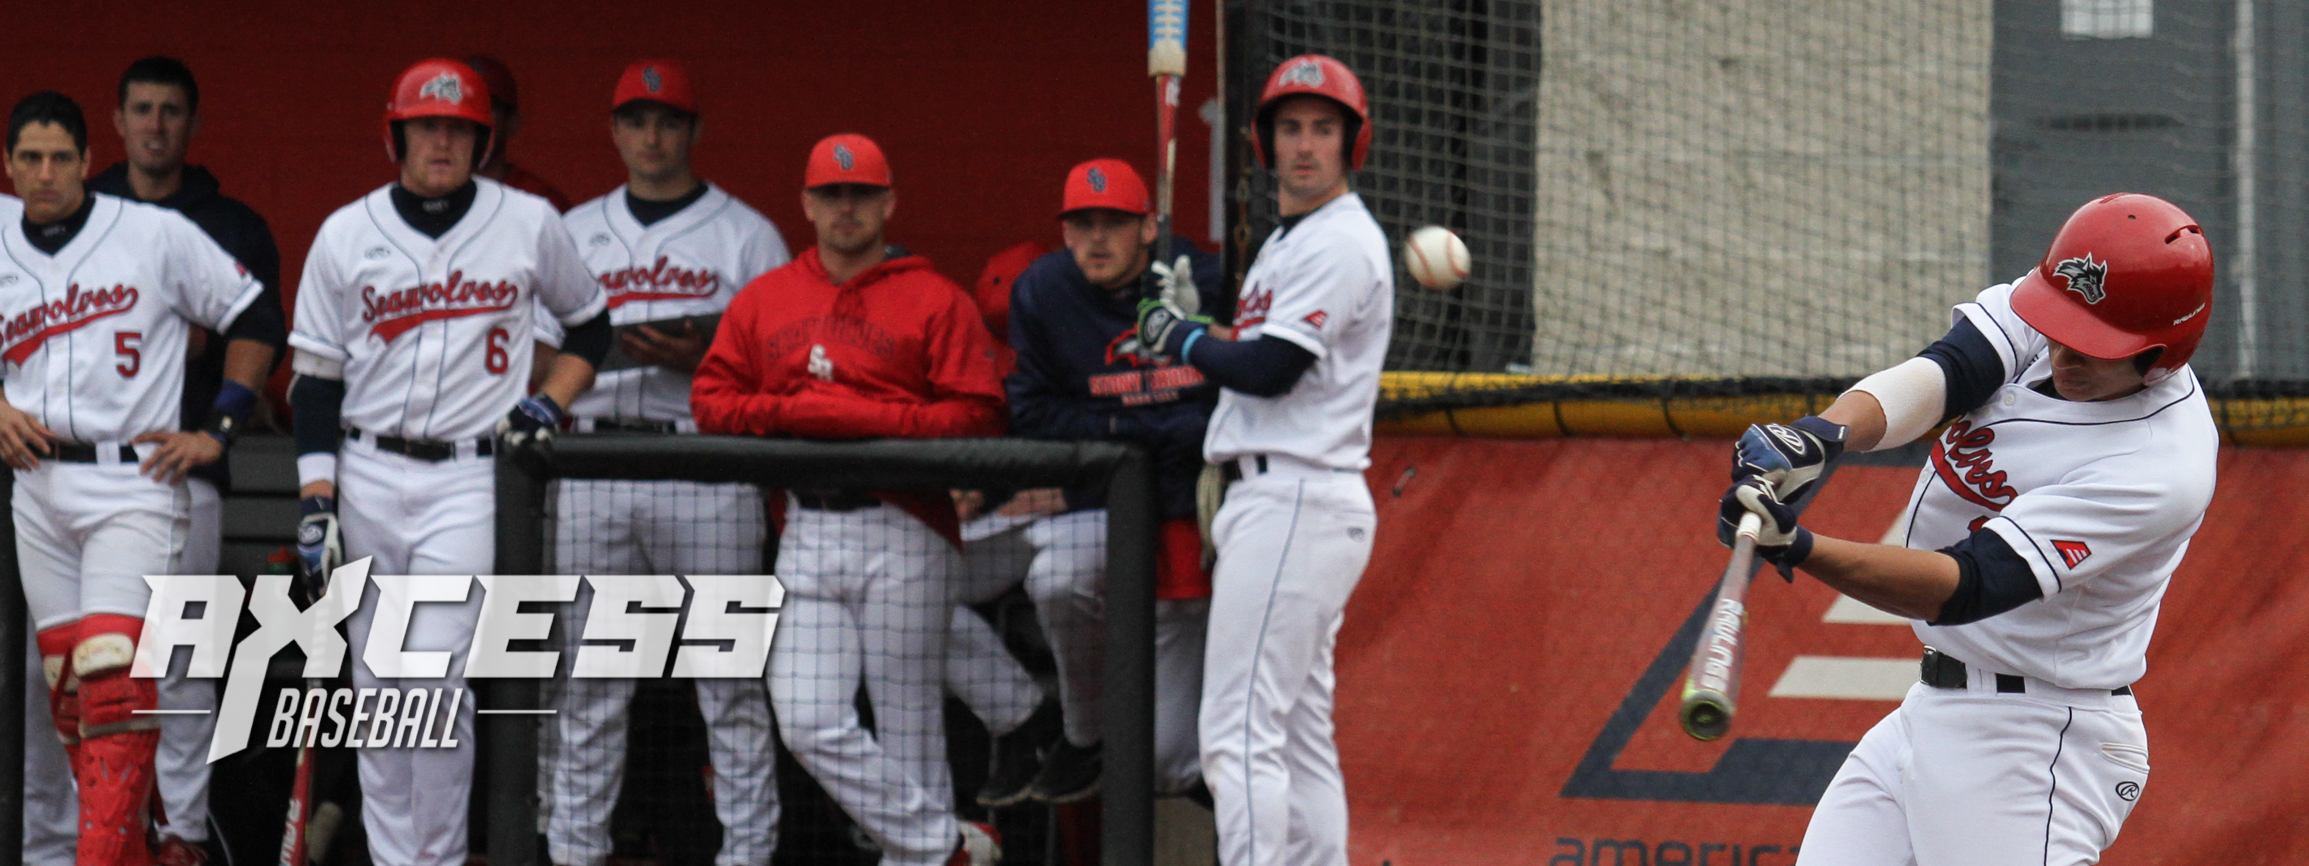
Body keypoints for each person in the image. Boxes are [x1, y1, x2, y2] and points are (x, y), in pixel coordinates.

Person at [1716, 193, 2216, 866]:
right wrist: (1822, 436)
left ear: (2159, 354)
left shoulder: (2160, 465)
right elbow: (1950, 369)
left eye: (2090, 348)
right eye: (2058, 330)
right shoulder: (2069, 303)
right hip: (1933, 710)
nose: (2062, 353)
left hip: (2036, 741)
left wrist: (1798, 546)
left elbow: (1965, 584)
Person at [286, 58, 608, 866]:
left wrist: (550, 400)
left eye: (458, 127)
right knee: (377, 691)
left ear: (482, 138)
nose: (442, 139)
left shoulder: (527, 221)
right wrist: (316, 497)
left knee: (431, 679)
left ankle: (436, 856)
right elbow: (316, 384)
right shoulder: (346, 232)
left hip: (468, 476)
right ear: (396, 134)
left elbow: (591, 326)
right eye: (427, 126)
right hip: (363, 472)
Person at [691, 132, 1005, 866]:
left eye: (860, 193)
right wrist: (793, 414)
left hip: (905, 526)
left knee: (909, 730)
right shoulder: (767, 297)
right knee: (804, 719)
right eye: (831, 195)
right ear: (806, 203)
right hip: (807, 525)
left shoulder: (936, 298)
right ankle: (944, 847)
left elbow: (979, 417)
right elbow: (711, 401)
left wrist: (858, 418)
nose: (846, 208)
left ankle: (925, 851)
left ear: (888, 202)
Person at [0, 90, 278, 866]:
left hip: (134, 482)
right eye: (30, 158)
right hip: (40, 489)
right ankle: (132, 849)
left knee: (112, 682)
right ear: (9, 166)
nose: (46, 172)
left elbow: (256, 316)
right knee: (67, 696)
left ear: (92, 161)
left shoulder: (152, 233)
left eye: (61, 157)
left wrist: (218, 427)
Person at [1131, 55, 1392, 865]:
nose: (1305, 146)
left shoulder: (1340, 241)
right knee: (1298, 734)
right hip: (1290, 502)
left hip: (1295, 500)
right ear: (1263, 143)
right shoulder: (1292, 239)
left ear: (1353, 143)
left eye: (1323, 128)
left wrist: (1176, 335)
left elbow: (1267, 371)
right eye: (1290, 128)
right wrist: (1195, 320)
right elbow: (1246, 358)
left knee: (1236, 734)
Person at [535, 58, 788, 866]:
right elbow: (532, 352)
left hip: (702, 466)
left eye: (668, 121)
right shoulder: (572, 230)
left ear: (694, 132)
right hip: (595, 465)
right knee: (590, 687)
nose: (652, 135)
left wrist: (708, 347)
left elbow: (784, 356)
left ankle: (746, 855)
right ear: (614, 131)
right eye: (637, 120)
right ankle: (575, 853)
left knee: (730, 685)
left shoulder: (745, 232)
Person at [84, 55, 287, 864]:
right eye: (142, 109)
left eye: (172, 110)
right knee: (82, 673)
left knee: (180, 667)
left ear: (192, 123)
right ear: (118, 117)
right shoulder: (85, 209)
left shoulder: (230, 225)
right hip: (78, 473)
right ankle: (93, 833)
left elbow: (258, 332)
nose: (156, 124)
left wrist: (220, 430)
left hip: (181, 468)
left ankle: (184, 838)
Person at [1004, 158, 1224, 803]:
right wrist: (1139, 432)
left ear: (1148, 227)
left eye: (1114, 224)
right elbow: (1032, 414)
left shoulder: (1205, 280)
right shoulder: (1043, 291)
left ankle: (1223, 767)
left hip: (1203, 508)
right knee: (1056, 577)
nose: (1096, 240)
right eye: (1081, 224)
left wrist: (1136, 427)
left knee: (1167, 754)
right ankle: (1088, 731)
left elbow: (1242, 394)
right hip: (1105, 502)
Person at [463, 55, 573, 211]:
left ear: (512, 123)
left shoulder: (541, 201)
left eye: (485, 108)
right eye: (463, 110)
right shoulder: (427, 194)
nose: (472, 121)